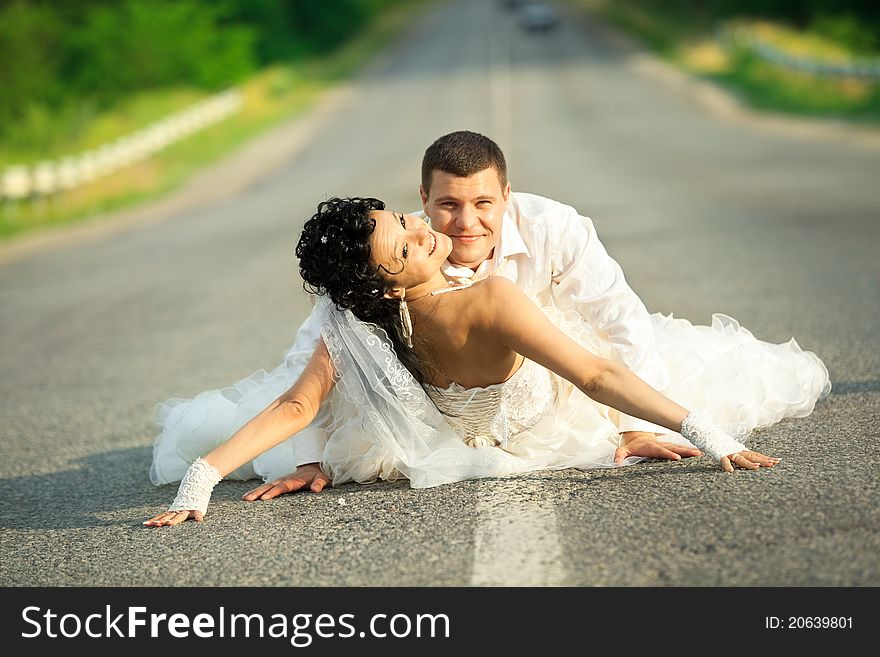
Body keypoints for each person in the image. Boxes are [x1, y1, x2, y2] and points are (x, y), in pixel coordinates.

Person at [146, 194, 827, 526]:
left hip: (496, 432)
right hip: (552, 418)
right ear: (383, 286)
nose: (424, 227)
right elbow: (596, 375)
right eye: (407, 245)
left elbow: (297, 404)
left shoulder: (353, 313)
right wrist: (709, 436)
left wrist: (203, 480)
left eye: (403, 220)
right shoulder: (492, 299)